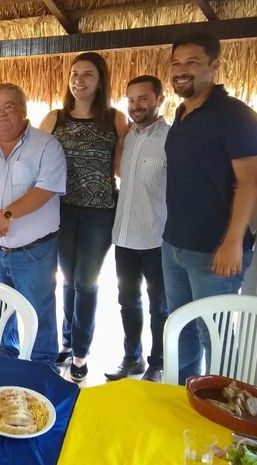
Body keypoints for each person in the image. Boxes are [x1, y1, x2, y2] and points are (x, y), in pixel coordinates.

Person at [163, 32, 257, 384]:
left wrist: (232, 242)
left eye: (192, 62)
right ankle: (183, 395)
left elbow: (250, 182)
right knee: (180, 326)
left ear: (214, 66)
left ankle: (225, 403)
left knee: (214, 334)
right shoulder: (182, 113)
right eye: (176, 63)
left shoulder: (236, 116)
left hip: (215, 249)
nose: (181, 70)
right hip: (174, 244)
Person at [0, 83, 66, 367]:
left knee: (38, 312)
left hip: (33, 252)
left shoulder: (47, 146)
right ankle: (6, 365)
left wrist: (5, 216)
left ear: (23, 110)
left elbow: (45, 189)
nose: (2, 114)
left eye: (9, 107)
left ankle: (43, 370)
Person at [40, 52, 129, 382]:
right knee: (67, 280)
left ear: (101, 80)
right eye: (75, 74)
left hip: (100, 213)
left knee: (86, 283)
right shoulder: (55, 118)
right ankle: (67, 340)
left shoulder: (115, 119)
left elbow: (122, 169)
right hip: (61, 210)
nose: (79, 80)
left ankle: (80, 352)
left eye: (87, 74)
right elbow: (36, 160)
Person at [104, 75, 169, 383]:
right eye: (131, 100)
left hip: (158, 237)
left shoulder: (171, 138)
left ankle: (158, 363)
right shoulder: (127, 138)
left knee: (160, 307)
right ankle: (133, 358)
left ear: (160, 99)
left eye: (144, 98)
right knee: (128, 302)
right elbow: (118, 173)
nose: (136, 105)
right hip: (125, 237)